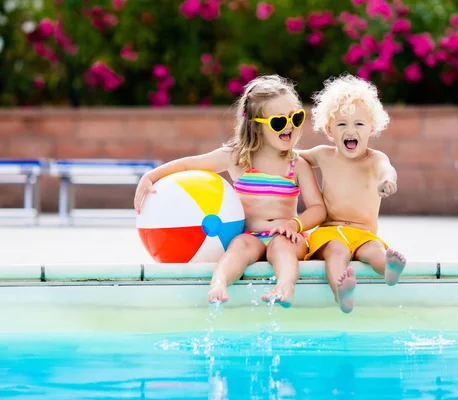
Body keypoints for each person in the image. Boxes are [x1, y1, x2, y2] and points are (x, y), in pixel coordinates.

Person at [134, 74, 326, 307]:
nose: (289, 126)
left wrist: (295, 225)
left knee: (282, 249)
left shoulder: (297, 165)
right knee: (237, 249)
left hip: (289, 236)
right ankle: (219, 283)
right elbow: (189, 164)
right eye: (278, 122)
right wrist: (151, 176)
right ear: (256, 125)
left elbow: (318, 208)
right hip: (251, 235)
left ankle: (285, 287)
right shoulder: (238, 158)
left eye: (295, 118)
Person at [298, 73, 406, 314]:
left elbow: (387, 170)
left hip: (363, 233)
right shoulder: (323, 154)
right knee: (337, 251)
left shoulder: (375, 159)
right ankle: (342, 294)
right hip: (330, 231)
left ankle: (388, 271)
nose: (350, 130)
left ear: (372, 128)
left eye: (359, 124)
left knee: (374, 251)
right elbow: (292, 157)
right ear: (329, 129)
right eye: (341, 124)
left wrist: (388, 181)